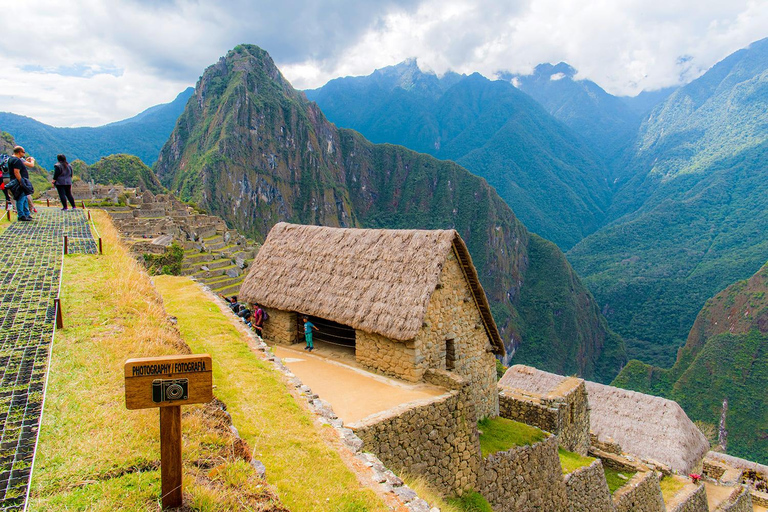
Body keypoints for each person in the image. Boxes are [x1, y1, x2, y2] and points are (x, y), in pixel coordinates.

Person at [7, 146, 35, 221]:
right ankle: (21, 215)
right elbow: (16, 172)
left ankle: (26, 214)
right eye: (23, 152)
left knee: (25, 198)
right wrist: (21, 182)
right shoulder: (17, 160)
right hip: (19, 182)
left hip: (16, 180)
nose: (24, 153)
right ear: (19, 152)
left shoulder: (11, 159)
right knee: (21, 199)